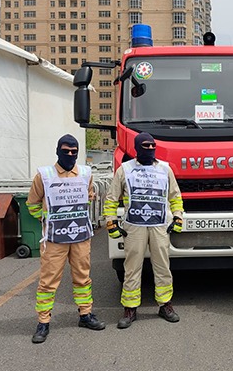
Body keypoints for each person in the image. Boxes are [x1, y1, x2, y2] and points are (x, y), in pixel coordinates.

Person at [26, 134, 105, 344]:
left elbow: (89, 197)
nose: (70, 154)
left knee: (83, 278)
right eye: (66, 151)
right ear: (57, 151)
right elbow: (32, 204)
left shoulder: (86, 173)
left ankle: (85, 314)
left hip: (80, 237)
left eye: (74, 151)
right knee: (48, 282)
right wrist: (47, 220)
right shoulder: (44, 176)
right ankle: (43, 322)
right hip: (54, 239)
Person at [103, 132, 184, 329]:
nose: (150, 149)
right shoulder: (124, 170)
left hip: (159, 225)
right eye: (145, 146)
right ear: (137, 148)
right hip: (134, 226)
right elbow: (111, 198)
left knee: (162, 266)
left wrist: (178, 217)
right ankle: (130, 308)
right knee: (132, 267)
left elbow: (175, 196)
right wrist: (111, 223)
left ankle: (165, 305)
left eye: (152, 146)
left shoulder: (165, 169)